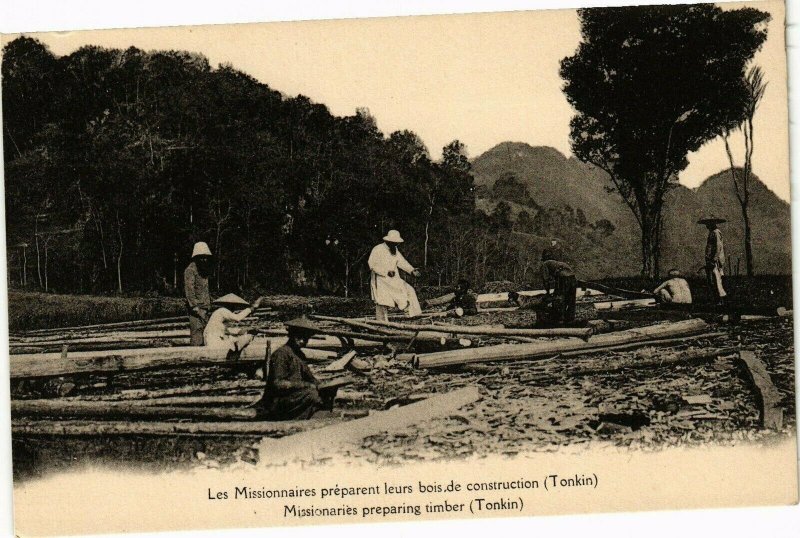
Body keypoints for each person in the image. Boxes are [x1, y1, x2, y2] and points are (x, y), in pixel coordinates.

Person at [254, 318, 338, 421]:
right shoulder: (281, 354)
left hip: (295, 397)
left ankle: (316, 417)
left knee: (323, 394)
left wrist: (325, 386)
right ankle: (293, 420)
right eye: (300, 337)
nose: (303, 341)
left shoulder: (300, 355)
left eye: (306, 338)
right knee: (311, 394)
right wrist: (306, 385)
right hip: (278, 400)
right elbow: (278, 384)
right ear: (292, 335)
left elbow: (310, 378)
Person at [368, 230, 422, 321]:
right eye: (393, 243)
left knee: (409, 290)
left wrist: (412, 270)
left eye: (396, 243)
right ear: (388, 241)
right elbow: (372, 264)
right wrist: (386, 272)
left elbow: (402, 262)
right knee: (382, 302)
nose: (395, 245)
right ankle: (381, 323)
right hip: (381, 280)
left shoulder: (395, 250)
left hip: (394, 279)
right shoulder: (378, 249)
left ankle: (412, 316)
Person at [184, 242, 213, 345]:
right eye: (202, 257)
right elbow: (189, 291)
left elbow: (205, 291)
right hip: (196, 311)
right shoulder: (190, 270)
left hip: (206, 309)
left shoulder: (204, 271)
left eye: (206, 257)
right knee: (197, 337)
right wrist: (195, 307)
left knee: (208, 337)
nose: (204, 260)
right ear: (196, 257)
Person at [540, 250, 577, 323]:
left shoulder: (545, 264)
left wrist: (548, 292)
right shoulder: (559, 263)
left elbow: (546, 279)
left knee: (560, 298)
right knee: (571, 299)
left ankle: (560, 319)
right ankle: (570, 318)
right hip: (573, 278)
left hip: (563, 278)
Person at [699, 216, 727, 305]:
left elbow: (718, 247)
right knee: (712, 280)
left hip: (715, 261)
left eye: (708, 224)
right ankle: (716, 299)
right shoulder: (712, 232)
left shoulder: (716, 232)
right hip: (711, 260)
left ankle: (720, 300)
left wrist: (714, 259)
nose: (706, 226)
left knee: (716, 280)